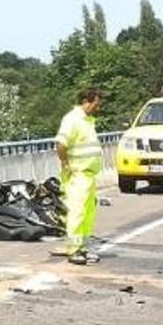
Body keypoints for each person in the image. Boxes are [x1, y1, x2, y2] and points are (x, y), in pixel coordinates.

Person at [54, 87, 103, 265]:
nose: (98, 108)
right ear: (85, 101)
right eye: (96, 104)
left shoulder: (88, 120)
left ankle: (82, 247)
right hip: (78, 174)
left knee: (88, 213)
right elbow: (60, 143)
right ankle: (74, 249)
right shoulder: (72, 119)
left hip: (89, 175)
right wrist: (66, 164)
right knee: (77, 211)